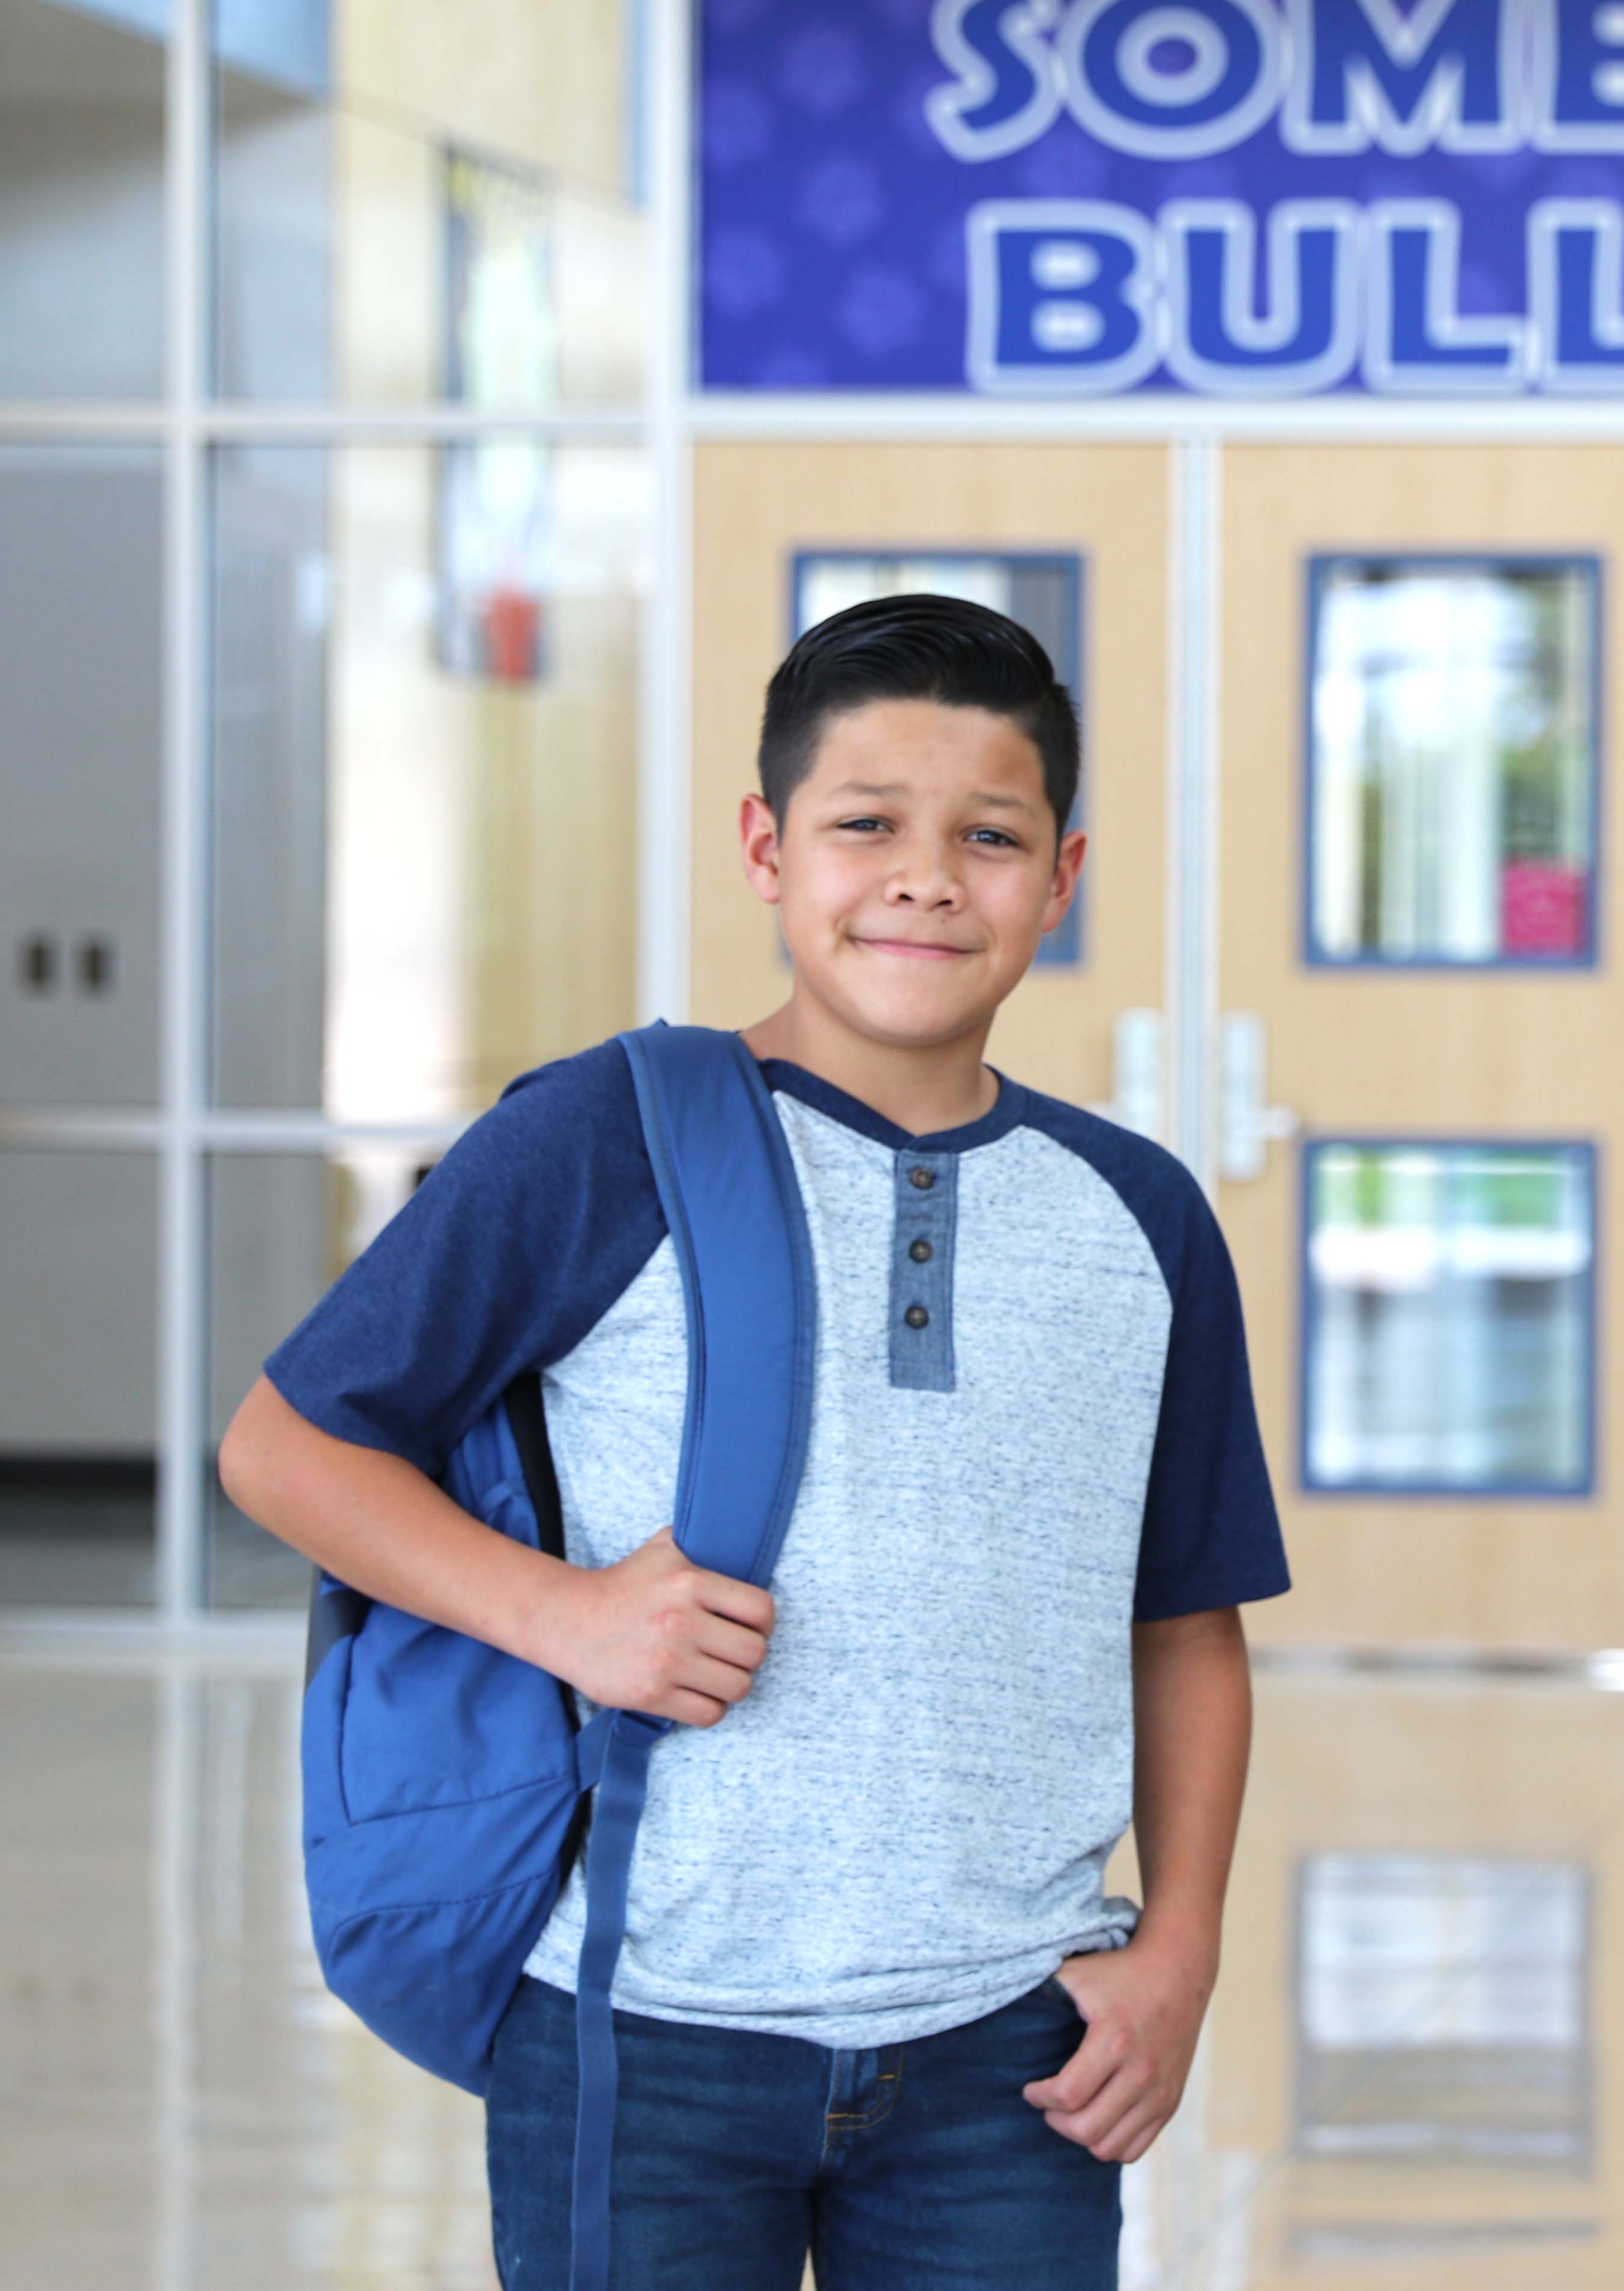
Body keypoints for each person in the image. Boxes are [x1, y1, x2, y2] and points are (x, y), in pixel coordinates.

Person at [218, 594, 1288, 2289]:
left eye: (989, 836)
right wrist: (563, 1616)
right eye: (866, 824)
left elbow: (1186, 1618)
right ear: (766, 849)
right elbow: (288, 1446)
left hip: (1014, 2050)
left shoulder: (1138, 1218)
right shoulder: (605, 1140)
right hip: (642, 2022)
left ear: (1062, 879)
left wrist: (1184, 1946)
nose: (927, 878)